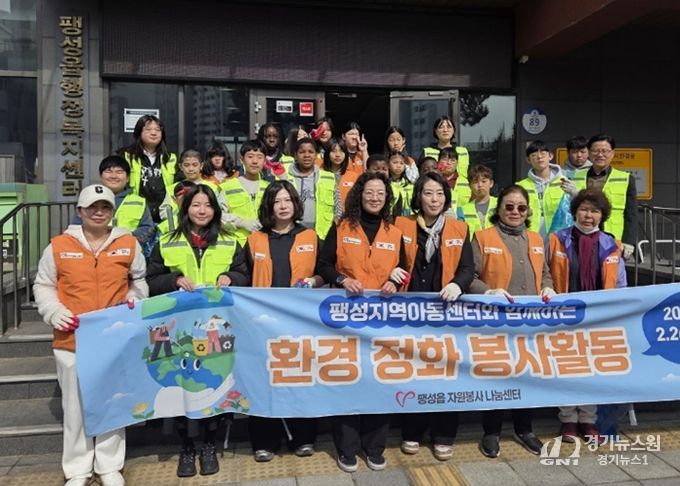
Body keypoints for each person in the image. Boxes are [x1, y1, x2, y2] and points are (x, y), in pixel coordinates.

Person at [34, 184, 148, 486]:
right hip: (72, 340)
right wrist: (53, 311)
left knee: (114, 401)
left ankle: (109, 466)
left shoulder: (128, 243)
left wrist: (135, 298)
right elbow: (43, 285)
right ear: (80, 211)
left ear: (112, 211)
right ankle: (77, 469)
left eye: (105, 207)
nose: (99, 213)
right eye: (92, 207)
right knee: (75, 407)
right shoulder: (58, 245)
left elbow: (138, 280)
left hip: (113, 339)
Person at [225, 181, 322, 462]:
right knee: (263, 380)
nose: (283, 206)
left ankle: (303, 437)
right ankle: (264, 440)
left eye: (287, 200)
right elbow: (243, 274)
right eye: (277, 201)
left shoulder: (310, 236)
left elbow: (325, 271)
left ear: (296, 204)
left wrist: (313, 281)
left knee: (300, 378)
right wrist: (229, 278)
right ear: (268, 206)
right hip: (262, 325)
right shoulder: (255, 239)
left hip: (300, 323)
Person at [146, 184, 238, 478]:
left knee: (214, 383)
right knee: (181, 386)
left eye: (208, 205)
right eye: (196, 205)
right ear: (185, 210)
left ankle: (210, 443)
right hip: (179, 333)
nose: (202, 210)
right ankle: (186, 446)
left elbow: (245, 273)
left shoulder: (230, 241)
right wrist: (174, 280)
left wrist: (231, 276)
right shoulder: (167, 241)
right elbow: (150, 279)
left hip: (217, 330)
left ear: (215, 210)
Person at [317, 172, 407, 473]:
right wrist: (342, 279)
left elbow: (403, 268)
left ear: (387, 197)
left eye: (381, 193)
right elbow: (324, 264)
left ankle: (374, 447)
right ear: (359, 194)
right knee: (347, 381)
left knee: (380, 381)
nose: (375, 198)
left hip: (383, 320)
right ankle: (346, 448)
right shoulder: (341, 226)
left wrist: (396, 282)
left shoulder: (395, 232)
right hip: (347, 319)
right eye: (369, 192)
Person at [469, 184, 556, 458]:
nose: (515, 212)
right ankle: (491, 431)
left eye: (521, 207)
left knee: (527, 376)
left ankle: (525, 429)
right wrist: (488, 292)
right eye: (509, 206)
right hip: (495, 322)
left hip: (530, 323)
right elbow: (469, 276)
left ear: (528, 211)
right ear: (499, 209)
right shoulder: (482, 237)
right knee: (497, 376)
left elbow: (545, 272)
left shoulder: (536, 239)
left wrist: (548, 286)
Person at [394, 172, 474, 461]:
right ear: (418, 196)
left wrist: (458, 284)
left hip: (445, 315)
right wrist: (392, 272)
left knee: (445, 374)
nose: (434, 199)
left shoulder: (460, 229)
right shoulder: (400, 225)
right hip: (410, 314)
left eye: (440, 193)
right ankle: (412, 431)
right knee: (414, 373)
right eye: (428, 193)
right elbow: (389, 258)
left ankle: (444, 434)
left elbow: (467, 268)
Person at [548, 189, 626, 444]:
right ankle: (568, 420)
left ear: (602, 215)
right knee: (567, 368)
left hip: (598, 319)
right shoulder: (557, 239)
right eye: (583, 209)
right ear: (575, 212)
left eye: (594, 211)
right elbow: (546, 272)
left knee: (592, 369)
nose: (588, 215)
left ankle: (588, 420)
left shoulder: (612, 245)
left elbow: (621, 285)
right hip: (564, 316)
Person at [572, 134, 637, 259]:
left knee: (611, 271)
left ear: (612, 153)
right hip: (581, 236)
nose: (600, 155)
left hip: (613, 239)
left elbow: (631, 214)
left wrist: (629, 241)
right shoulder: (575, 177)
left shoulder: (626, 178)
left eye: (605, 151)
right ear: (589, 153)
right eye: (595, 151)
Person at [72, 155, 154, 249]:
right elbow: (77, 226)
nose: (114, 176)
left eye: (119, 172)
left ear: (127, 178)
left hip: (128, 250)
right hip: (93, 249)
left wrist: (126, 241)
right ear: (100, 176)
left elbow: (147, 228)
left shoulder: (138, 201)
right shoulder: (89, 198)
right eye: (108, 171)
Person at [119, 114, 177, 222]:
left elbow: (179, 187)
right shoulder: (126, 156)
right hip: (135, 217)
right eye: (148, 129)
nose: (153, 133)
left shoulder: (171, 158)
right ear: (139, 132)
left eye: (158, 130)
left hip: (164, 218)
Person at [517, 140, 573, 239]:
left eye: (543, 153)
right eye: (534, 155)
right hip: (530, 236)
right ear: (528, 160)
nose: (539, 157)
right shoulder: (521, 186)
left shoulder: (565, 182)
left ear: (550, 156)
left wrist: (575, 193)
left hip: (559, 235)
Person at [220, 140, 269, 245]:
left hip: (265, 244)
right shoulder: (227, 187)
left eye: (259, 157)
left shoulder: (269, 188)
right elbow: (217, 215)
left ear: (264, 161)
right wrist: (241, 223)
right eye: (250, 157)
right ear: (241, 160)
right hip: (237, 245)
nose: (255, 161)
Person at [315, 138, 358, 240]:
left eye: (341, 151)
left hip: (346, 225)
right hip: (322, 227)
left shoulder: (354, 176)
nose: (338, 155)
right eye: (333, 151)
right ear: (327, 153)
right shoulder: (318, 174)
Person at [279, 137, 320, 229]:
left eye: (311, 152)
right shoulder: (285, 175)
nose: (306, 155)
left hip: (319, 230)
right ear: (295, 156)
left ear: (316, 155)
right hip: (290, 228)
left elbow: (337, 205)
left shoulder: (324, 177)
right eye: (302, 152)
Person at [460, 164, 497, 237]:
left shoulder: (500, 204)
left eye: (484, 181)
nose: (480, 185)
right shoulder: (463, 210)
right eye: (475, 182)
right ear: (470, 186)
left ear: (491, 183)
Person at [437, 147, 471, 216]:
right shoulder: (434, 180)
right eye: (445, 159)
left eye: (452, 160)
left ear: (457, 163)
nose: (448, 163)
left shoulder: (466, 182)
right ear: (438, 162)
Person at [388, 150, 413, 217]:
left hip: (407, 218)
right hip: (388, 218)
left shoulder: (410, 185)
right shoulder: (385, 184)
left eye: (401, 163)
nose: (398, 166)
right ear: (388, 164)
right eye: (395, 162)